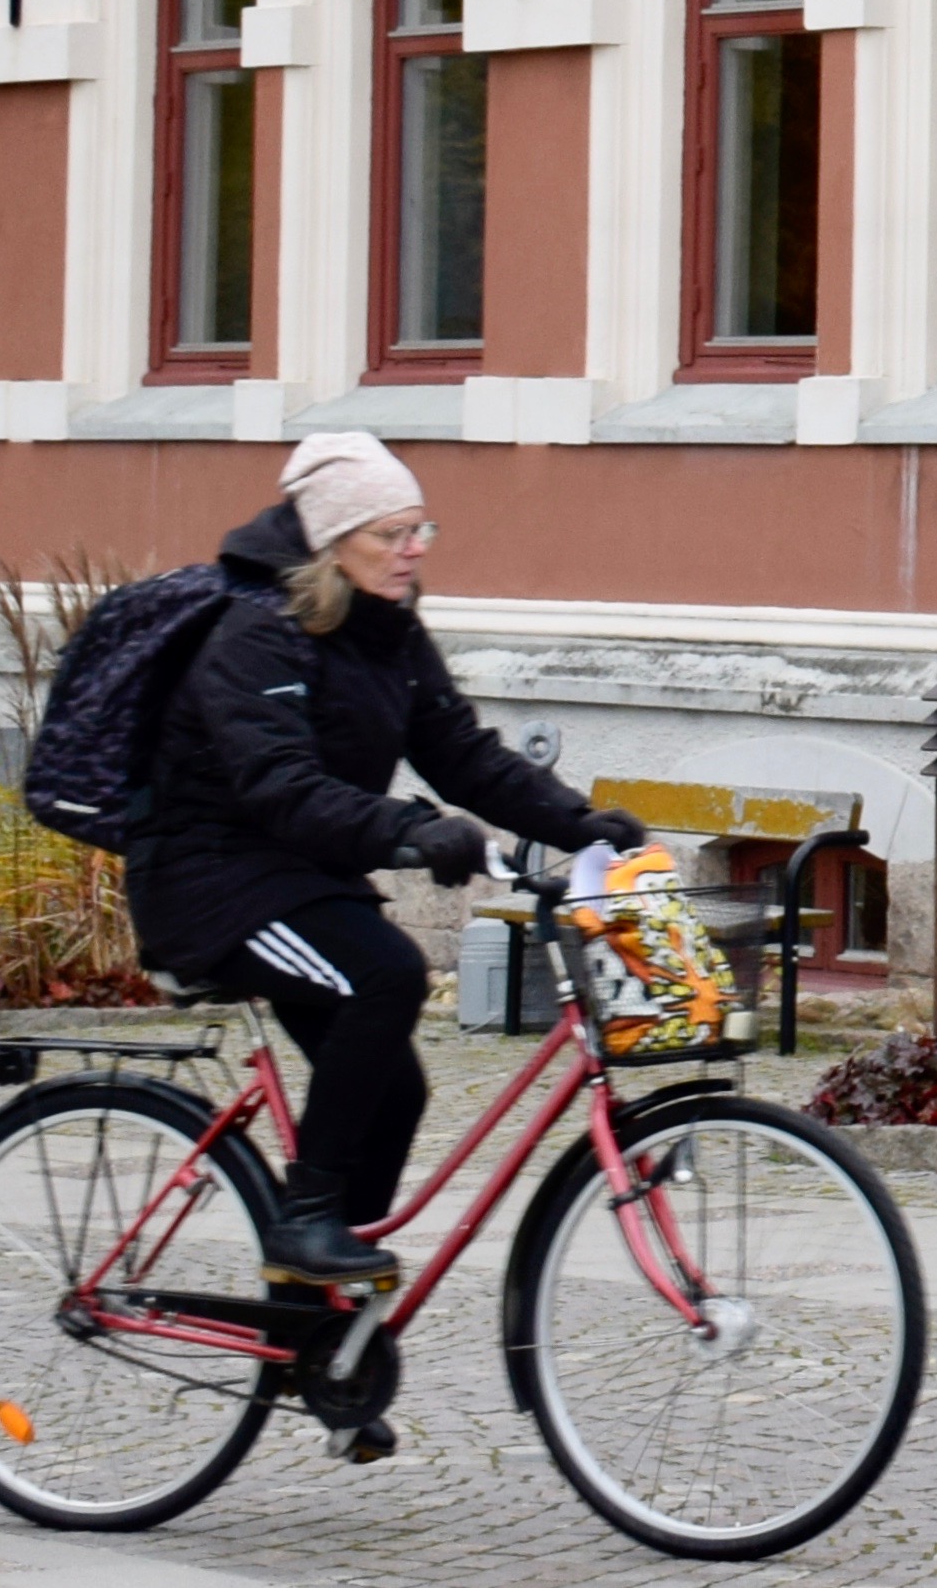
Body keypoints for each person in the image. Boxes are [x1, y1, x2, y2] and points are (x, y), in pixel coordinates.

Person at [126, 430, 631, 1284]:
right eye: (390, 534)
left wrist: (583, 823)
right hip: (211, 882)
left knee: (395, 1095)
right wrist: (407, 830)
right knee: (387, 974)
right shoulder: (257, 634)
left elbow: (463, 753)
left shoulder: (388, 630)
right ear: (332, 543)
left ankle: (322, 1316)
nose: (412, 551)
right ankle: (307, 1223)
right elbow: (279, 786)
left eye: (420, 530)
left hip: (300, 878)